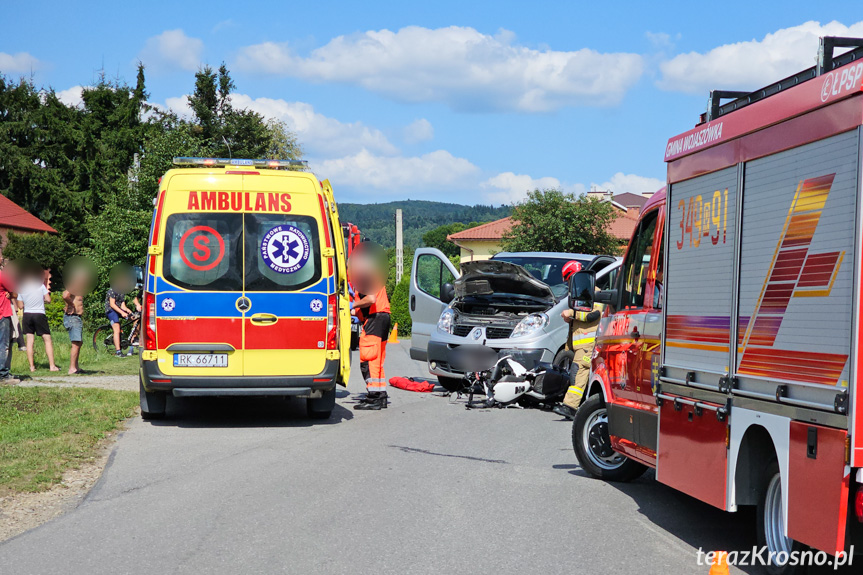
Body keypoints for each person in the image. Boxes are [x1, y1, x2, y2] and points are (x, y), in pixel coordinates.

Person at [553, 261, 603, 420]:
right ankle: (577, 406)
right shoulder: (581, 294)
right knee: (578, 373)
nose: (568, 284)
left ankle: (571, 407)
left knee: (579, 373)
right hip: (581, 345)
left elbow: (593, 316)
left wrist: (572, 314)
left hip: (588, 345)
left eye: (569, 280)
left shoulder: (594, 294)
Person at [352, 283, 391, 411]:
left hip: (374, 318)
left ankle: (373, 398)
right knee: (377, 361)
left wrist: (353, 305)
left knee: (369, 359)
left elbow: (370, 299)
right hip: (383, 318)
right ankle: (381, 395)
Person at [17, 269, 59, 372]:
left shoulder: (21, 288)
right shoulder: (40, 286)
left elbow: (20, 306)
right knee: (47, 340)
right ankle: (52, 366)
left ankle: (32, 367)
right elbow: (48, 299)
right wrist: (41, 299)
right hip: (39, 314)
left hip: (27, 315)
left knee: (30, 341)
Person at [0, 260, 19, 384]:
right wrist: (9, 293)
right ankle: (2, 374)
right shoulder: (2, 276)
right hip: (2, 312)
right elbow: (16, 293)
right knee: (3, 345)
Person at [62, 284, 85, 375]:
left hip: (76, 317)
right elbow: (65, 295)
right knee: (76, 343)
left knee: (79, 342)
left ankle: (76, 367)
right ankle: (72, 368)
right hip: (73, 317)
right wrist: (71, 304)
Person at [105, 284, 132, 358]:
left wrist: (128, 311)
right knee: (117, 329)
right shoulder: (112, 290)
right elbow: (112, 304)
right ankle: (118, 352)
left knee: (133, 318)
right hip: (111, 310)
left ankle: (132, 343)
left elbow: (123, 306)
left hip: (118, 310)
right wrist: (122, 312)